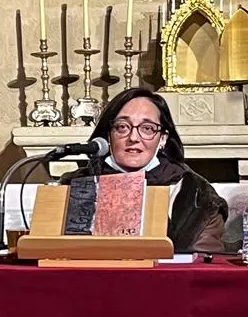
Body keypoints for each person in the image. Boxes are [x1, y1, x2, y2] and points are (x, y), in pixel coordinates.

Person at [58, 88, 228, 253]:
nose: (133, 138)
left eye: (147, 128)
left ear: (163, 138)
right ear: (108, 135)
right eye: (122, 127)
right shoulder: (74, 185)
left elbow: (202, 262)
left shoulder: (196, 194)